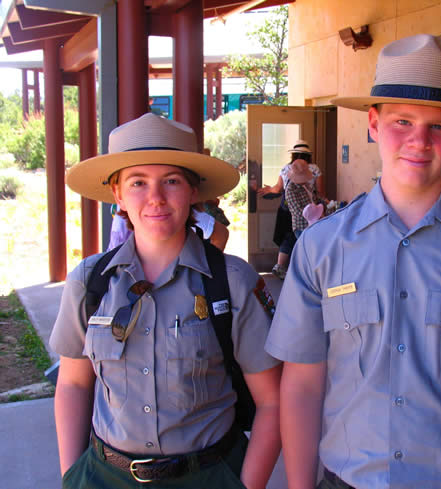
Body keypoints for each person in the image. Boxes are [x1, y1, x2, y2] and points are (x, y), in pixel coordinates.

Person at [265, 34, 441, 489]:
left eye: (438, 126)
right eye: (403, 121)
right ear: (374, 124)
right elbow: (302, 384)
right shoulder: (322, 246)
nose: (419, 141)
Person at [51, 113, 282, 489]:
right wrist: (72, 476)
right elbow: (74, 384)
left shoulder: (232, 282)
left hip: (208, 475)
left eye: (171, 181)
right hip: (105, 476)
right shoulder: (89, 283)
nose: (155, 198)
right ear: (118, 195)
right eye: (137, 182)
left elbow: (273, 401)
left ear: (193, 192)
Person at [257, 140, 324, 279]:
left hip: (287, 208)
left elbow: (278, 189)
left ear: (293, 155)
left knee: (287, 237)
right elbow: (320, 192)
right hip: (309, 210)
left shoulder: (286, 169)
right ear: (308, 155)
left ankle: (280, 266)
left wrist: (269, 189)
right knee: (307, 238)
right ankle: (308, 271)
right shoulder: (315, 169)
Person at [284, 158, 324, 239]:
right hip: (302, 227)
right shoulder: (291, 189)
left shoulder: (306, 185)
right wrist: (317, 215)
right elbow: (298, 211)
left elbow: (314, 198)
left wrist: (324, 203)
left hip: (313, 224)